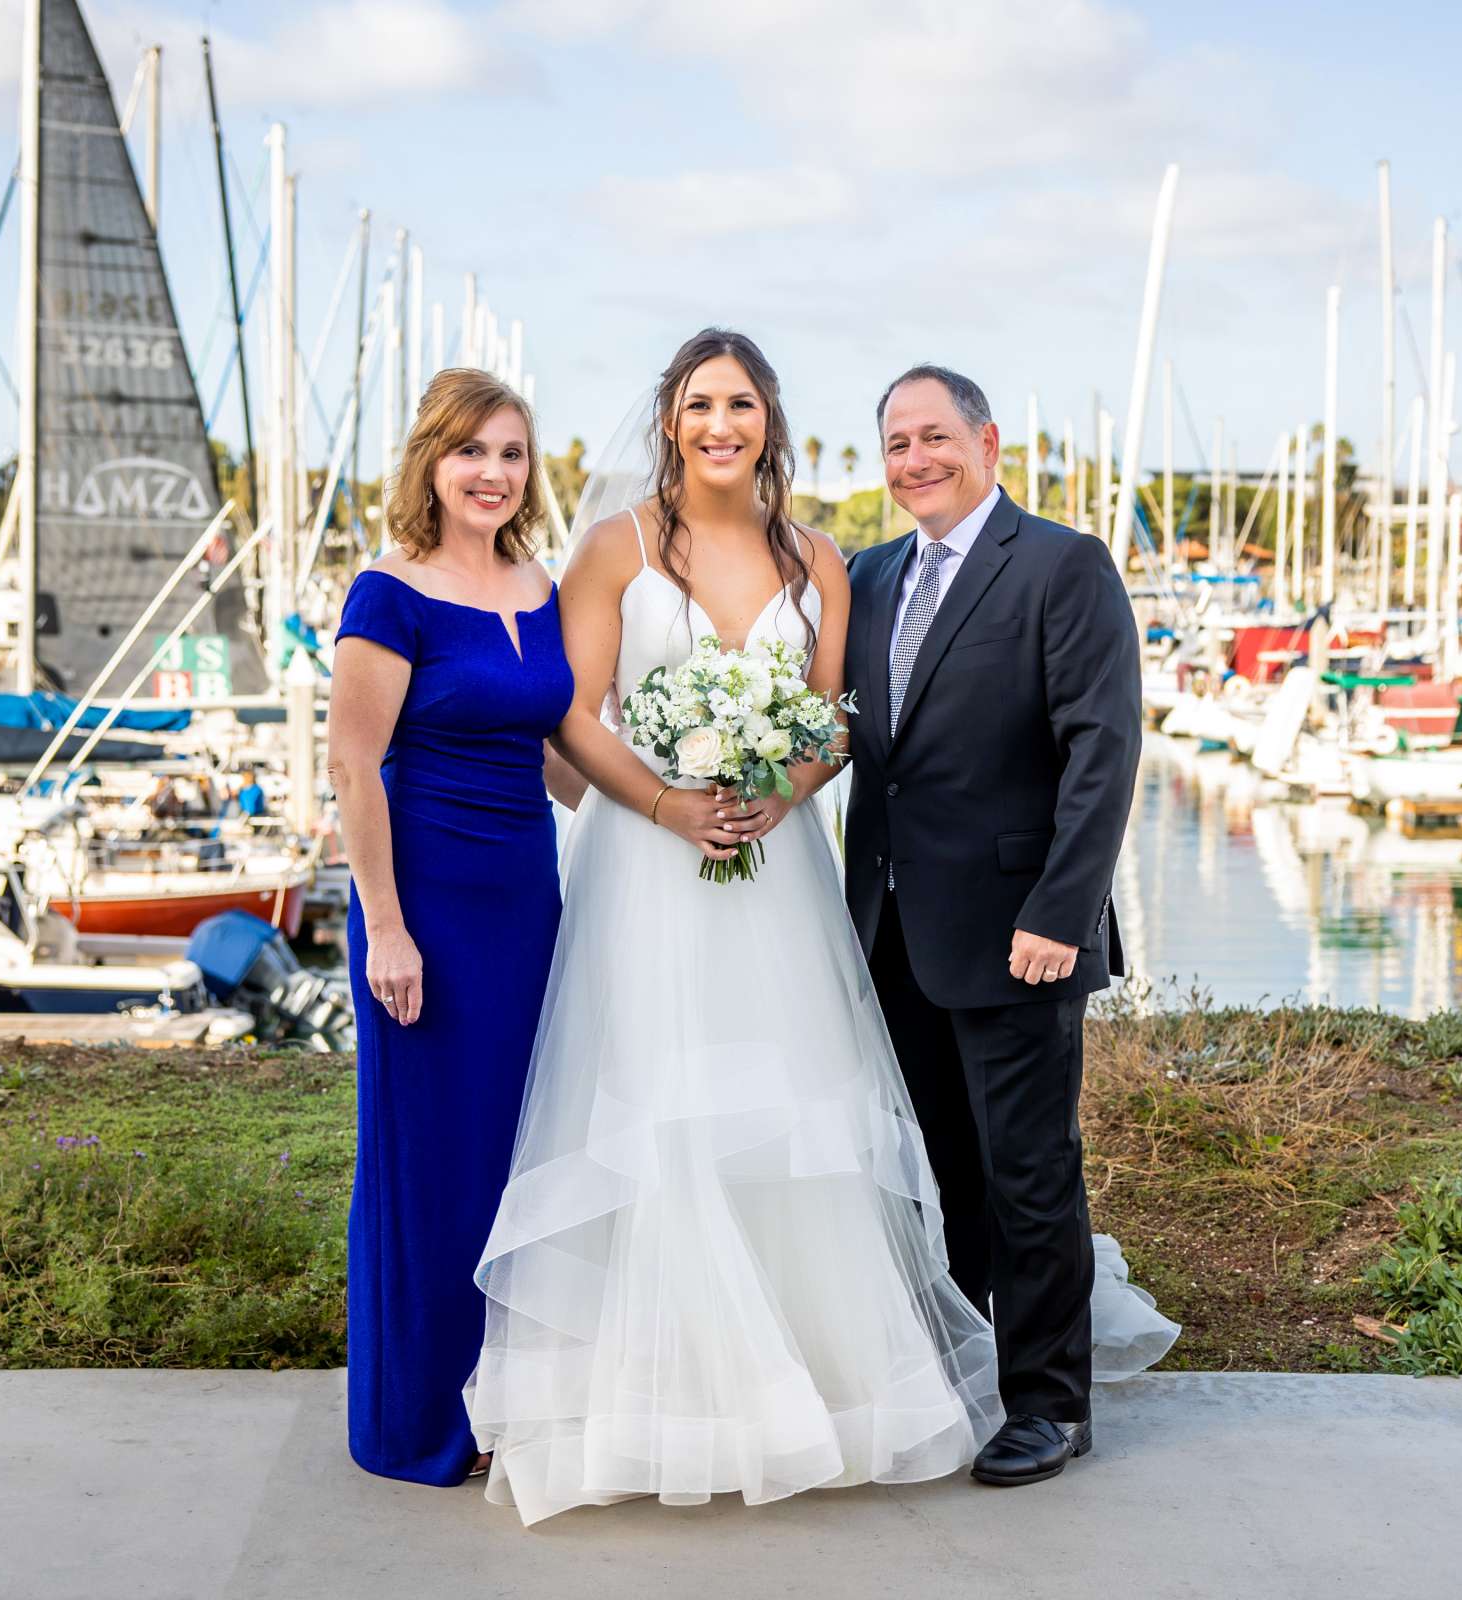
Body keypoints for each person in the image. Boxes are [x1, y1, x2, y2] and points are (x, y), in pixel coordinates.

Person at [464, 329, 1004, 1526]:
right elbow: (576, 709)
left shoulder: (819, 559)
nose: (722, 424)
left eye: (743, 404)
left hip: (774, 869)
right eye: (702, 403)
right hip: (644, 872)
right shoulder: (613, 548)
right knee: (656, 1099)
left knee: (784, 1104)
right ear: (671, 418)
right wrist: (665, 800)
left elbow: (830, 723)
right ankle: (651, 1399)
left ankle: (809, 1386)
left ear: (770, 421)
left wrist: (784, 788)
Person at [842, 364, 1143, 1487]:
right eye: (896, 443)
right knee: (937, 1172)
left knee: (1028, 1174)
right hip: (889, 932)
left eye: (935, 436)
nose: (916, 459)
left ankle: (1051, 1405)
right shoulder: (867, 576)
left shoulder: (1063, 566)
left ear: (988, 441)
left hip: (1021, 933)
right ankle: (968, 1373)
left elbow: (1100, 751)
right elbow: (851, 742)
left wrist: (1061, 911)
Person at [326, 368, 574, 1485]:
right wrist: (386, 925)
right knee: (430, 1162)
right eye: (472, 451)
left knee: (519, 1155)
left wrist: (675, 801)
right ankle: (420, 1419)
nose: (493, 473)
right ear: (431, 460)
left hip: (528, 905)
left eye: (512, 453)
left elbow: (561, 759)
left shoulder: (538, 583)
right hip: (423, 909)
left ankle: (506, 1402)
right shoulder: (391, 590)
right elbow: (353, 762)